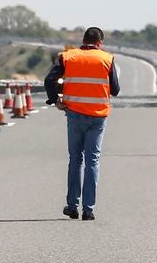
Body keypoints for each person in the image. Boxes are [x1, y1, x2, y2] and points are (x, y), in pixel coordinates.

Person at [44, 27, 121, 221]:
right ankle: (89, 209)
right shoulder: (107, 59)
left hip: (75, 114)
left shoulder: (68, 57)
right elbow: (116, 90)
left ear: (84, 39)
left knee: (76, 159)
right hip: (98, 117)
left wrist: (56, 100)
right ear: (99, 43)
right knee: (92, 161)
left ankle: (72, 206)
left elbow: (49, 80)